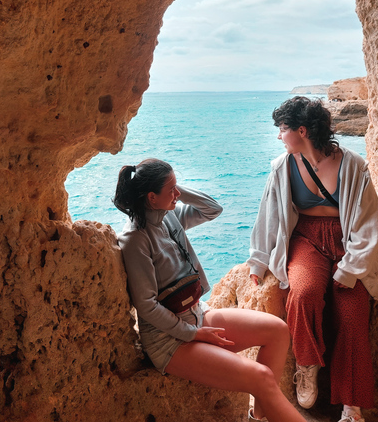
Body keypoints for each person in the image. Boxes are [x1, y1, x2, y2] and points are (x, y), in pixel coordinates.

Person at [115, 158, 306, 422]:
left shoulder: (169, 217)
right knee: (260, 377)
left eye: (176, 186)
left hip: (197, 314)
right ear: (151, 197)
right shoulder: (135, 239)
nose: (178, 194)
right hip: (170, 341)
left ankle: (260, 417)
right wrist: (194, 334)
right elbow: (147, 306)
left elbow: (212, 208)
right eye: (172, 190)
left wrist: (170, 189)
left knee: (277, 331)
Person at [247, 97, 378, 422]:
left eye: (283, 129)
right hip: (306, 238)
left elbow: (368, 222)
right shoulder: (283, 166)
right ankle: (307, 366)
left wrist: (349, 269)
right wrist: (259, 261)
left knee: (352, 313)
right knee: (304, 293)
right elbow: (270, 214)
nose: (280, 136)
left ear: (302, 130)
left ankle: (352, 408)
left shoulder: (353, 165)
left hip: (347, 241)